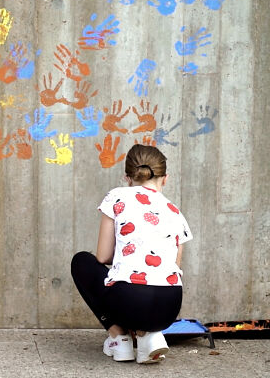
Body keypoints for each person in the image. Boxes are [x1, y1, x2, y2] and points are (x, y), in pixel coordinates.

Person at [71, 144, 193, 364]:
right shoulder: (175, 211)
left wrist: (128, 254)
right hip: (169, 307)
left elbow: (103, 257)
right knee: (145, 283)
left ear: (127, 177)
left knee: (82, 262)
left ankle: (119, 339)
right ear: (165, 178)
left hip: (129, 300)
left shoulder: (117, 197)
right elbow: (173, 266)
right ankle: (149, 334)